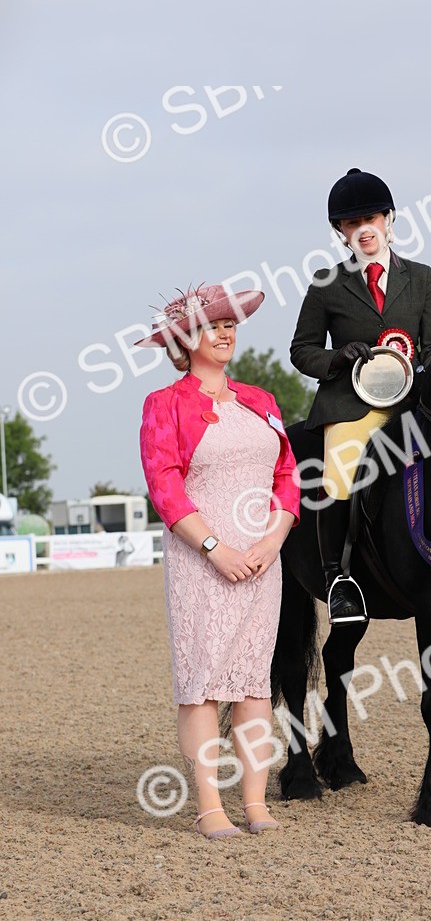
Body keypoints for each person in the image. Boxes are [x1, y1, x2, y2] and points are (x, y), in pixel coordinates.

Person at [137, 284, 300, 838]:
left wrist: (273, 540)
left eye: (231, 324)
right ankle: (210, 806)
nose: (226, 332)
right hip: (201, 561)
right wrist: (215, 549)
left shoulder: (263, 400)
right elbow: (164, 487)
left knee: (255, 684)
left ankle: (255, 803)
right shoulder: (164, 405)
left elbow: (287, 475)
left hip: (262, 560)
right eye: (213, 325)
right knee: (202, 684)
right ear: (186, 339)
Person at [290, 168, 431, 623]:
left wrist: (424, 374)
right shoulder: (326, 283)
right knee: (338, 473)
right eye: (351, 222)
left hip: (413, 400)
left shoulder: (420, 278)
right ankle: (337, 577)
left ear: (388, 220)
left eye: (371, 218)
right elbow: (301, 350)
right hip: (351, 404)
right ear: (340, 232)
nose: (363, 229)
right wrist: (339, 358)